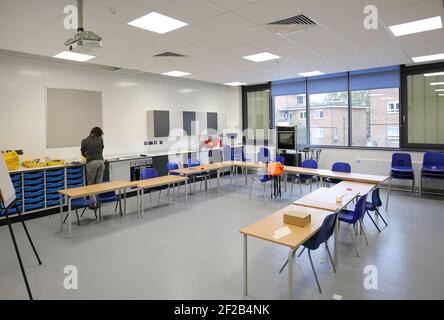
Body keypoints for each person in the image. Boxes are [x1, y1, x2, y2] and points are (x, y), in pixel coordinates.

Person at [81, 127, 105, 206]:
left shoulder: (84, 141)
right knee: (98, 184)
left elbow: (82, 153)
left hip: (91, 163)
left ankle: (93, 203)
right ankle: (98, 202)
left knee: (91, 184)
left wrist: (88, 156)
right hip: (101, 162)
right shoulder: (100, 139)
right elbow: (101, 149)